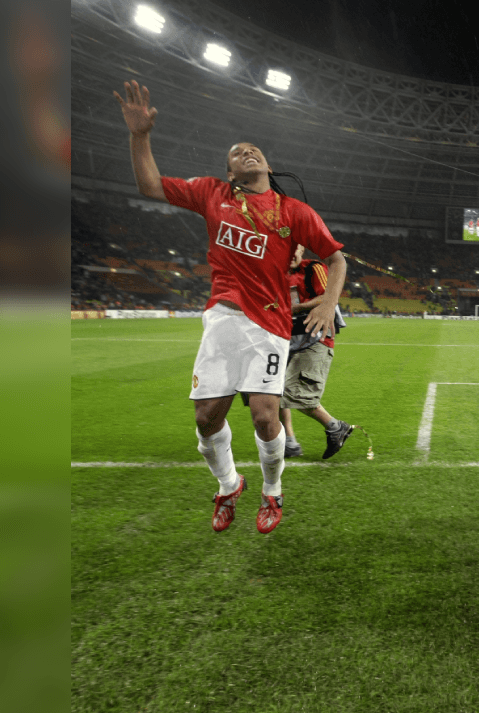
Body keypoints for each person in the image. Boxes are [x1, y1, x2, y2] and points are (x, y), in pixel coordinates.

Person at [115, 79, 346, 534]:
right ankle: (227, 486)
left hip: (270, 324)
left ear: (268, 164)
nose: (248, 152)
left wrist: (328, 304)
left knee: (265, 413)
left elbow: (336, 259)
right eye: (238, 152)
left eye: (254, 149)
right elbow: (149, 187)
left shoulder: (294, 212)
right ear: (229, 170)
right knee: (205, 418)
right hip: (222, 317)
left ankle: (273, 493)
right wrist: (140, 135)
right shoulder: (210, 194)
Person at [280, 243, 354, 460]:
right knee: (273, 391)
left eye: (296, 249)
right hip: (287, 340)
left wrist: (298, 308)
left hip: (316, 338)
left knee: (291, 391)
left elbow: (328, 296)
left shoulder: (313, 268)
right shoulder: (275, 274)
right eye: (287, 248)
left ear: (302, 251)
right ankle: (289, 441)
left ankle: (334, 426)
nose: (292, 253)